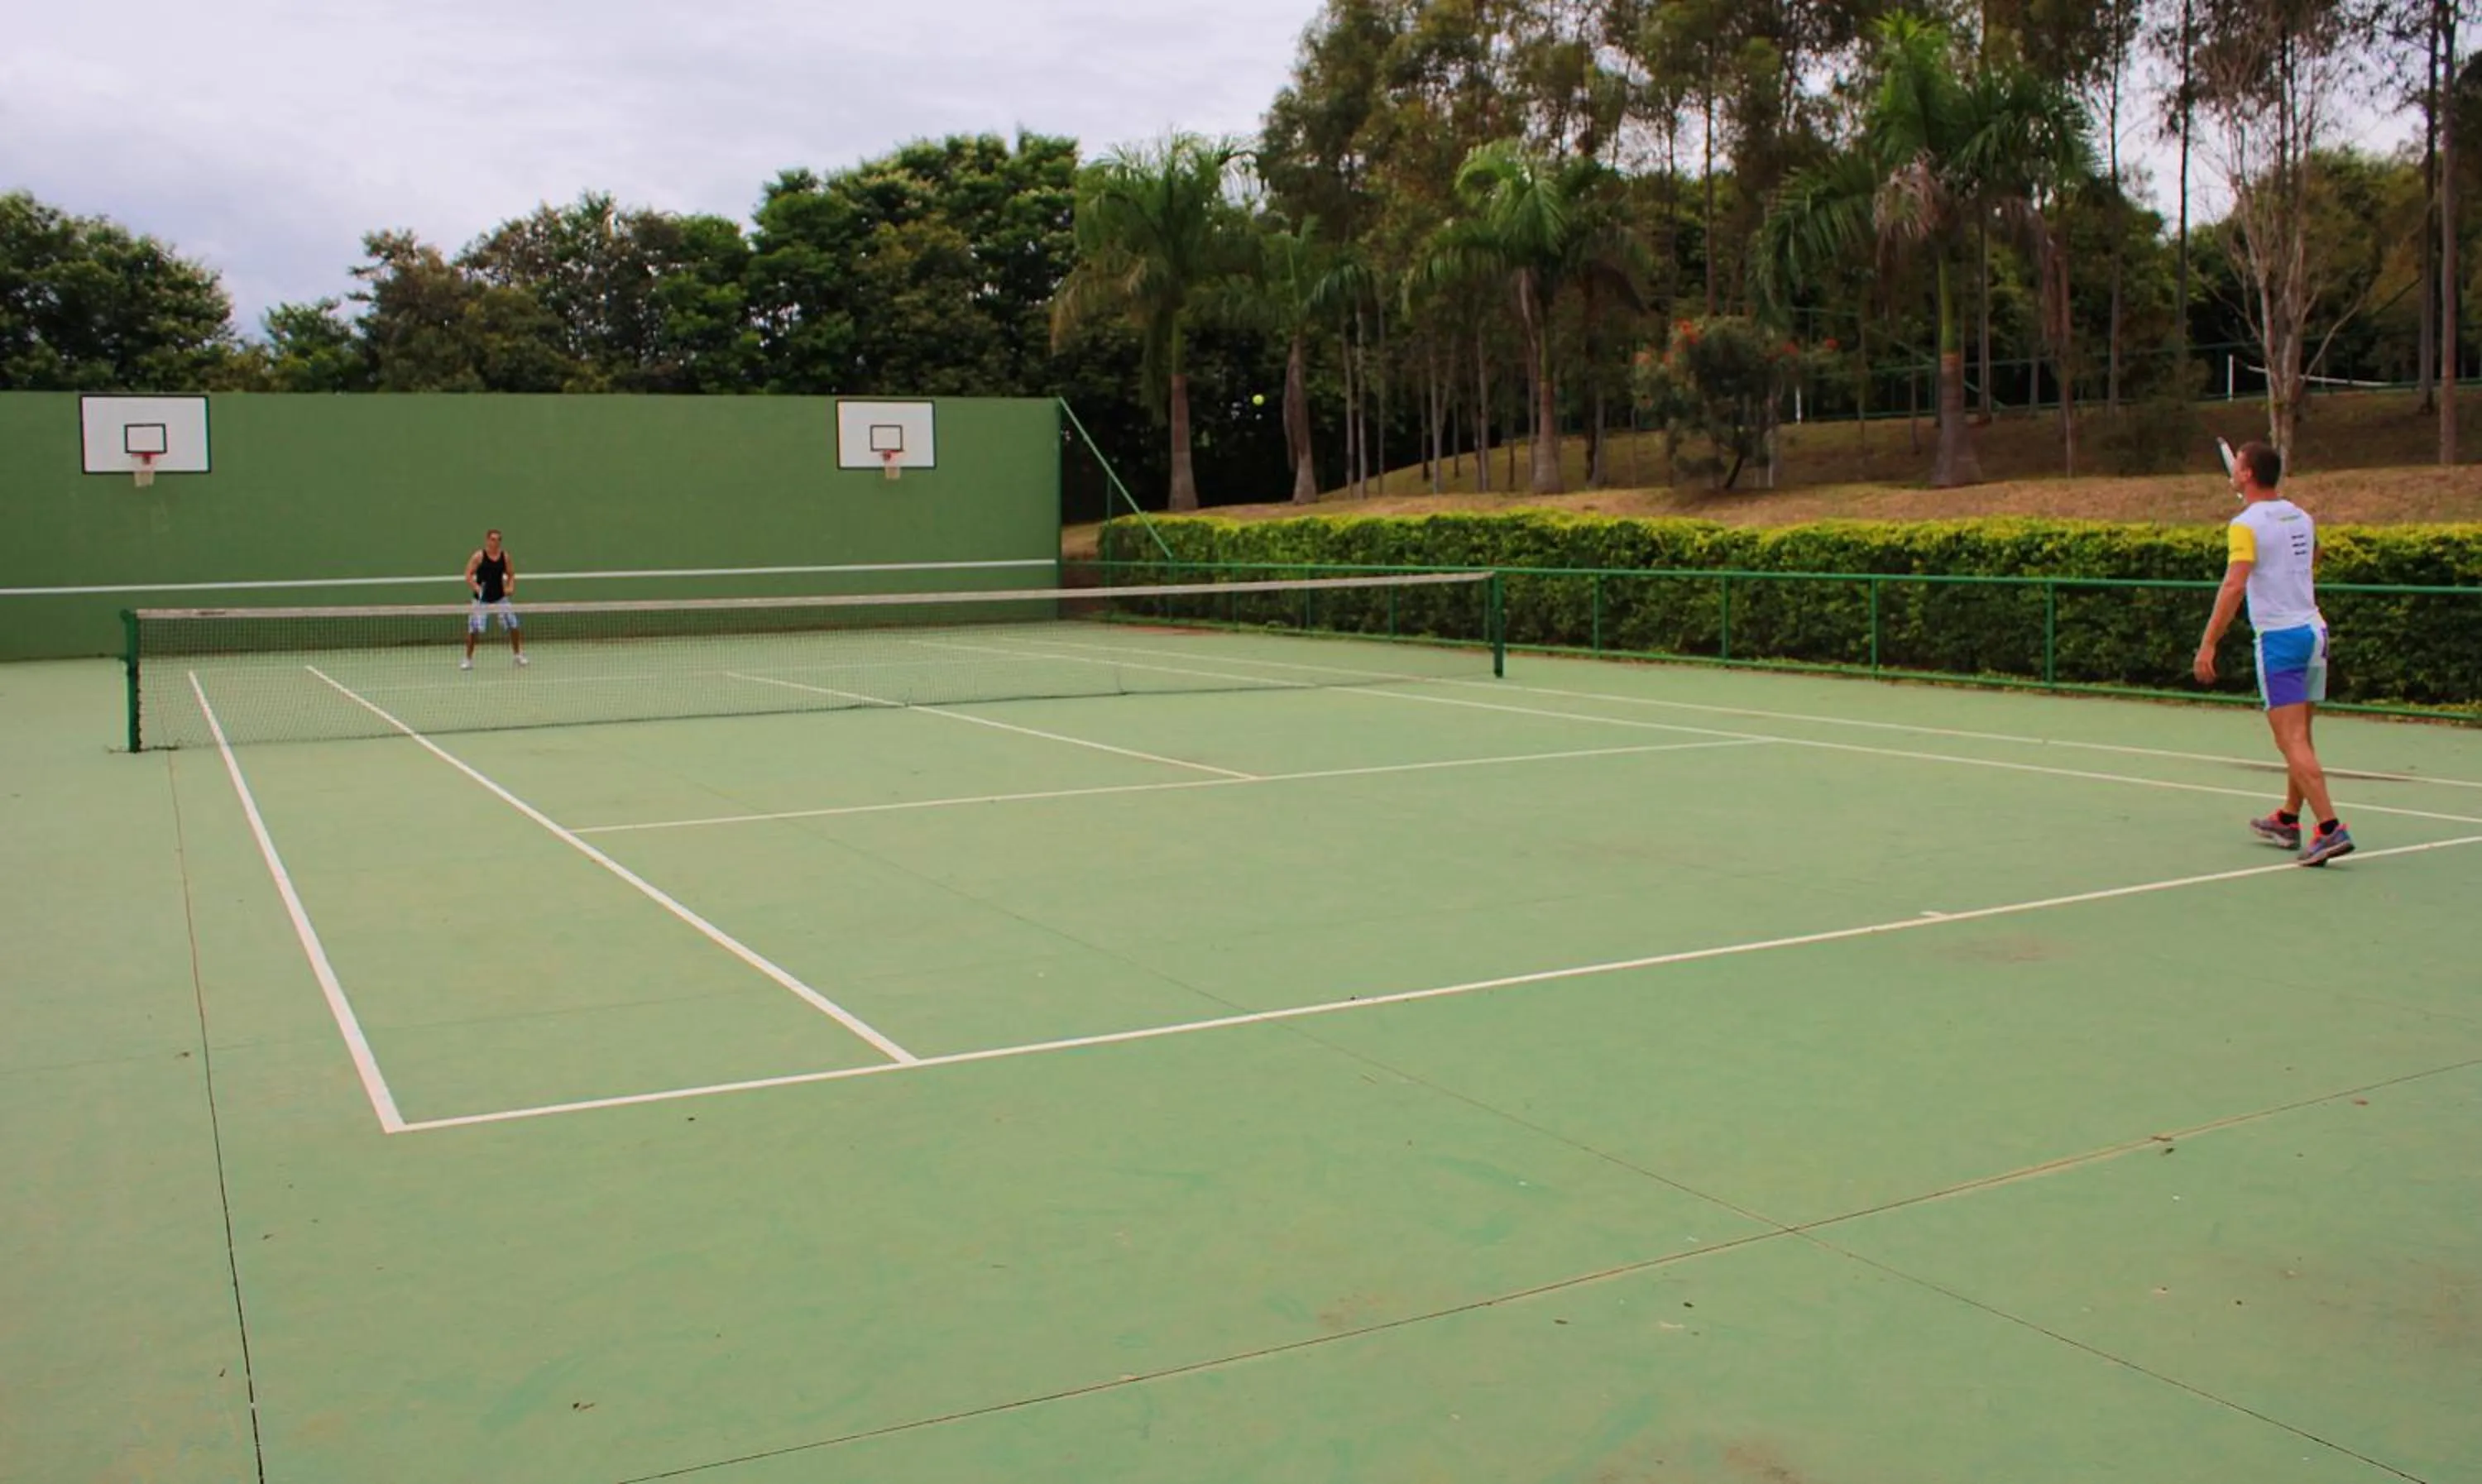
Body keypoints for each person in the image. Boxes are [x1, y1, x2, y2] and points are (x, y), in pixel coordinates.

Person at [2192, 441, 2350, 865]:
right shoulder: (2302, 516)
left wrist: (2209, 642)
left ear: (2246, 475)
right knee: (2301, 737)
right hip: (2313, 632)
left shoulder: (2245, 525)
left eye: (2238, 465)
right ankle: (2287, 817)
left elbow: (2234, 584)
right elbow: (2310, 557)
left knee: (2291, 739)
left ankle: (2331, 828)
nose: (2234, 469)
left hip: (2280, 640)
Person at [462, 529, 528, 669]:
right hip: (481, 600)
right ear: (487, 540)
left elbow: (511, 574)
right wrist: (477, 588)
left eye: (498, 540)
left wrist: (511, 587)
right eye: (493, 539)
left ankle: (518, 656)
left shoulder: (505, 557)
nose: (495, 542)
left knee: (514, 625)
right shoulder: (479, 556)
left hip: (500, 598)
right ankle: (468, 659)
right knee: (474, 630)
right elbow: (468, 574)